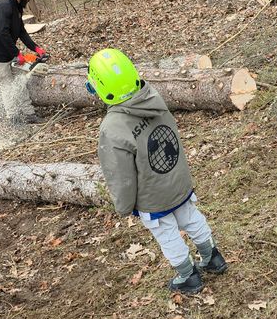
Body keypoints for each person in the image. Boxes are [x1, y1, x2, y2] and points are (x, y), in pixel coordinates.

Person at [88, 48, 226, 294]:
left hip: (153, 196)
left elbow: (120, 177)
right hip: (177, 180)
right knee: (190, 217)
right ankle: (213, 257)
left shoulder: (113, 128)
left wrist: (124, 206)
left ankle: (188, 276)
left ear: (99, 88)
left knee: (168, 234)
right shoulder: (152, 96)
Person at [0, 0, 46, 124]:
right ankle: (13, 118)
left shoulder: (17, 8)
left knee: (20, 81)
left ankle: (29, 114)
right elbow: (2, 32)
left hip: (8, 51)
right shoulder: (4, 7)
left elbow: (21, 31)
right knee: (8, 86)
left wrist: (36, 48)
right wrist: (17, 54)